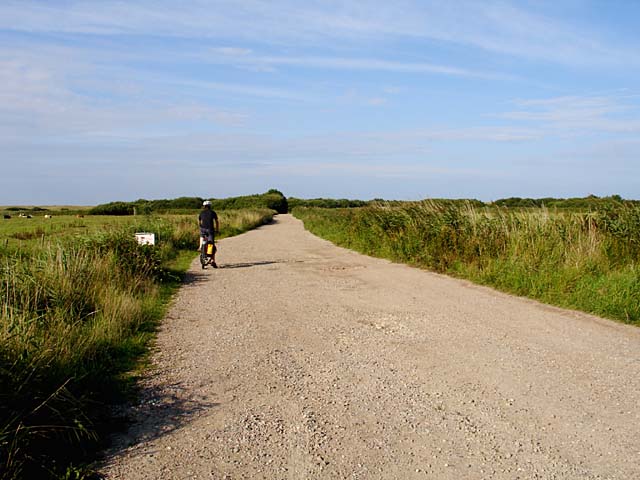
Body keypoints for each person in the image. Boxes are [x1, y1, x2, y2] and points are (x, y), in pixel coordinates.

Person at [199, 200, 220, 267]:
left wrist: (201, 227)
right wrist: (217, 230)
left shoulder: (201, 213)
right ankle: (213, 261)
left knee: (202, 236)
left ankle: (200, 247)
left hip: (202, 229)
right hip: (210, 230)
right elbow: (216, 221)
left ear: (204, 206)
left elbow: (199, 222)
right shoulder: (213, 212)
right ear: (210, 206)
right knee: (211, 245)